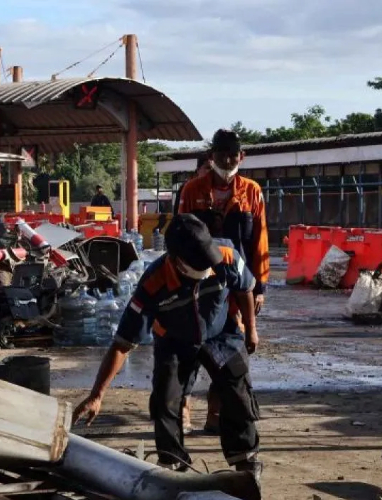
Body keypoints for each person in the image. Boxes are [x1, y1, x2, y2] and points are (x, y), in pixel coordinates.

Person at [73, 214, 262, 477]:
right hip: (175, 339)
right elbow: (122, 344)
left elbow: (244, 289)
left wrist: (251, 329)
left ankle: (246, 463)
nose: (206, 271)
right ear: (177, 261)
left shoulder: (226, 255)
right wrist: (97, 395)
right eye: (199, 268)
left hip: (221, 332)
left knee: (238, 393)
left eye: (209, 264)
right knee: (166, 400)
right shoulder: (153, 284)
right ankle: (173, 464)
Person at [178, 129, 269, 434]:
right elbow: (178, 237)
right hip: (198, 283)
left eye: (233, 154)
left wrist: (259, 287)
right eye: (222, 154)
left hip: (236, 285)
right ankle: (184, 410)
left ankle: (215, 414)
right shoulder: (191, 190)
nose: (228, 159)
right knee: (190, 346)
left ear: (241, 156)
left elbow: (259, 242)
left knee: (229, 349)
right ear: (211, 156)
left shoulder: (252, 191)